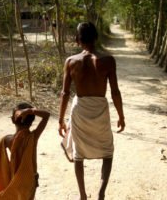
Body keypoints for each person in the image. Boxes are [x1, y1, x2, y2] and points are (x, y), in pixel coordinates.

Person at [59, 22, 125, 200]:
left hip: (79, 109)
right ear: (96, 38)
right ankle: (101, 193)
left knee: (78, 154)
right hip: (100, 109)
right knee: (107, 152)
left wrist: (60, 120)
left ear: (77, 39)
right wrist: (121, 116)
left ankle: (82, 195)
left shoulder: (71, 62)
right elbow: (115, 92)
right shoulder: (108, 61)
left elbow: (65, 93)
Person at [0, 103, 50, 200]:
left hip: (12, 178)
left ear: (12, 120)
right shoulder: (33, 137)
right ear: (32, 120)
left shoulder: (6, 140)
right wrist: (30, 111)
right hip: (29, 179)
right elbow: (46, 116)